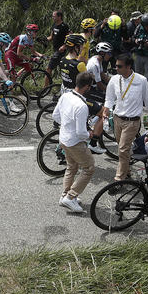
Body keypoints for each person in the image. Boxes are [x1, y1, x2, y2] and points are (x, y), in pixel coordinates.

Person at [104, 53, 148, 182]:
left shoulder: (141, 80)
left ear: (128, 66)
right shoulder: (114, 79)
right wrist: (106, 111)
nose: (116, 68)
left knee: (122, 149)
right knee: (123, 148)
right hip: (117, 119)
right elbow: (109, 98)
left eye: (119, 66)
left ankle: (119, 179)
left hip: (132, 121)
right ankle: (127, 172)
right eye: (116, 66)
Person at [52, 72, 97, 213]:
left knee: (71, 167)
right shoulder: (82, 106)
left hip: (63, 138)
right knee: (89, 168)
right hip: (75, 143)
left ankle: (65, 195)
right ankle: (71, 197)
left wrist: (67, 125)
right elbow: (81, 133)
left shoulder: (65, 96)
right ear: (87, 87)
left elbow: (55, 115)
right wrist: (90, 134)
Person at [131, 12, 148, 78]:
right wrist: (136, 41)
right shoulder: (139, 28)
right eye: (145, 25)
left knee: (147, 76)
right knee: (137, 75)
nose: (146, 27)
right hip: (139, 54)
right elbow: (133, 38)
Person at [46, 12, 70, 77]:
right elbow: (51, 37)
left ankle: (46, 84)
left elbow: (70, 37)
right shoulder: (54, 25)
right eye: (52, 16)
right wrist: (44, 39)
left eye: (54, 16)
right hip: (55, 49)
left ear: (59, 17)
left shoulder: (64, 26)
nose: (52, 17)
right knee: (63, 68)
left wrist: (64, 46)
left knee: (49, 68)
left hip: (61, 51)